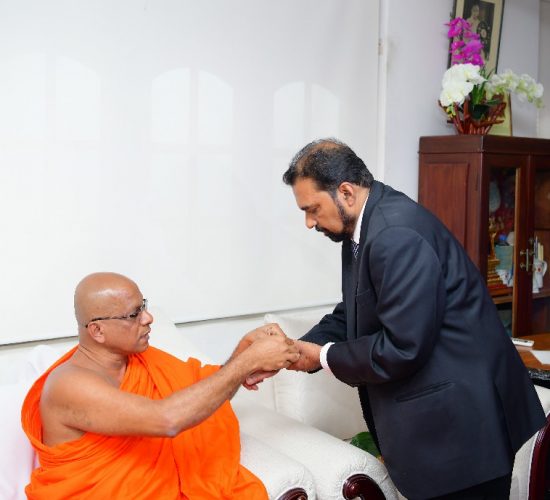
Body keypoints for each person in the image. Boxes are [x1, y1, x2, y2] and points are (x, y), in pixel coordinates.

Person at [276, 138, 546, 499]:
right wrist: (296, 349)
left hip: (465, 432)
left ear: (346, 192)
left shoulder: (394, 234)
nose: (310, 222)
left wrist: (322, 356)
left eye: (312, 209)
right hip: (448, 428)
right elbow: (354, 311)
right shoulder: (363, 226)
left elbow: (402, 347)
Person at [21, 272, 300, 499]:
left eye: (143, 305)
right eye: (134, 314)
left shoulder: (140, 362)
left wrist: (244, 355)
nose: (148, 317)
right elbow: (167, 419)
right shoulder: (69, 384)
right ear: (97, 331)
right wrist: (247, 362)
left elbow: (203, 394)